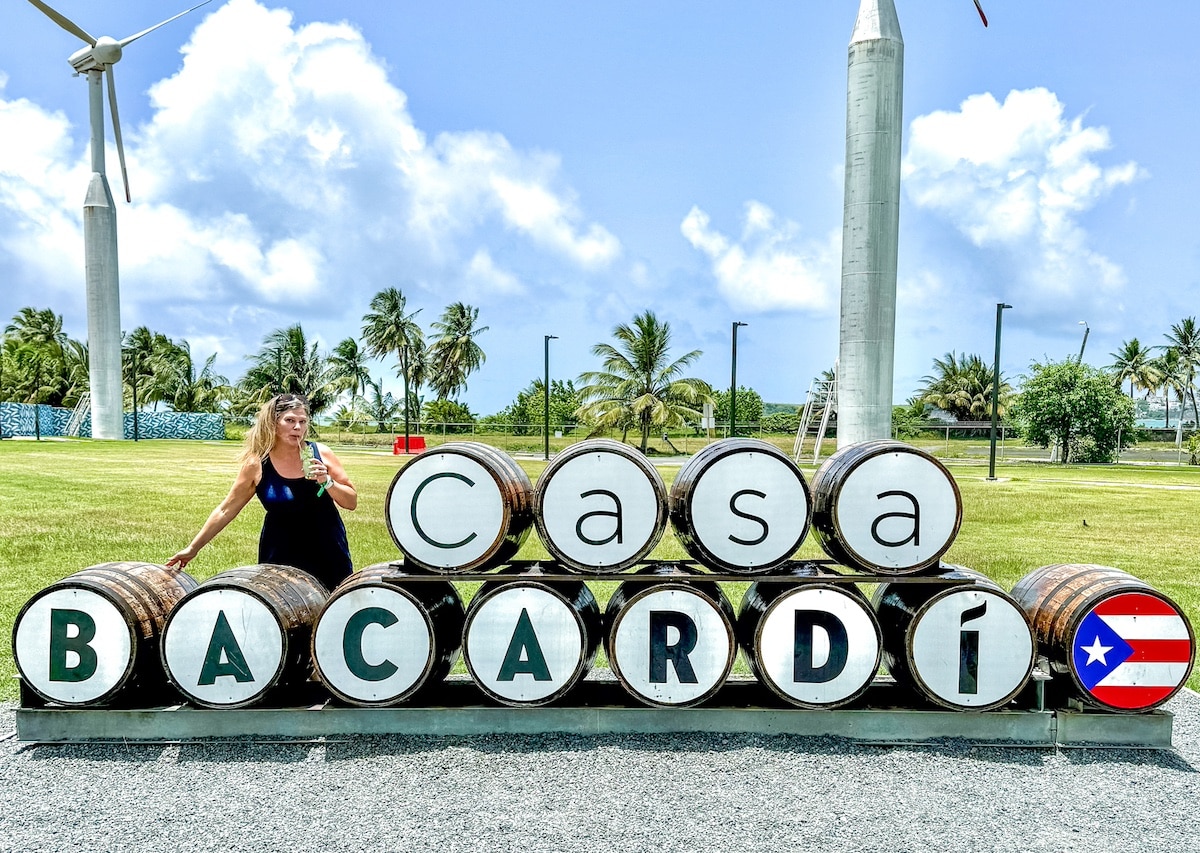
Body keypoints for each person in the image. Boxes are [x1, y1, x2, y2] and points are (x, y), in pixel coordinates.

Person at [167, 393, 357, 590]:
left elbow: (351, 502)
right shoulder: (257, 464)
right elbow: (226, 510)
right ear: (273, 423)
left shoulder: (321, 454)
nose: (298, 427)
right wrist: (192, 549)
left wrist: (327, 482)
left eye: (303, 421)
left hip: (328, 550)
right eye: (290, 420)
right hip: (279, 554)